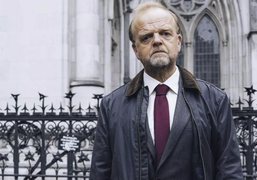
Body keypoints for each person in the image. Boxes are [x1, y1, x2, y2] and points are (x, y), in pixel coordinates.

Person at [90, 1, 243, 179]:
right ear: (136, 50)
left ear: (178, 42)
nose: (156, 40)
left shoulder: (214, 100)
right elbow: (100, 173)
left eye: (165, 33)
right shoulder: (111, 106)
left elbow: (229, 170)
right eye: (146, 37)